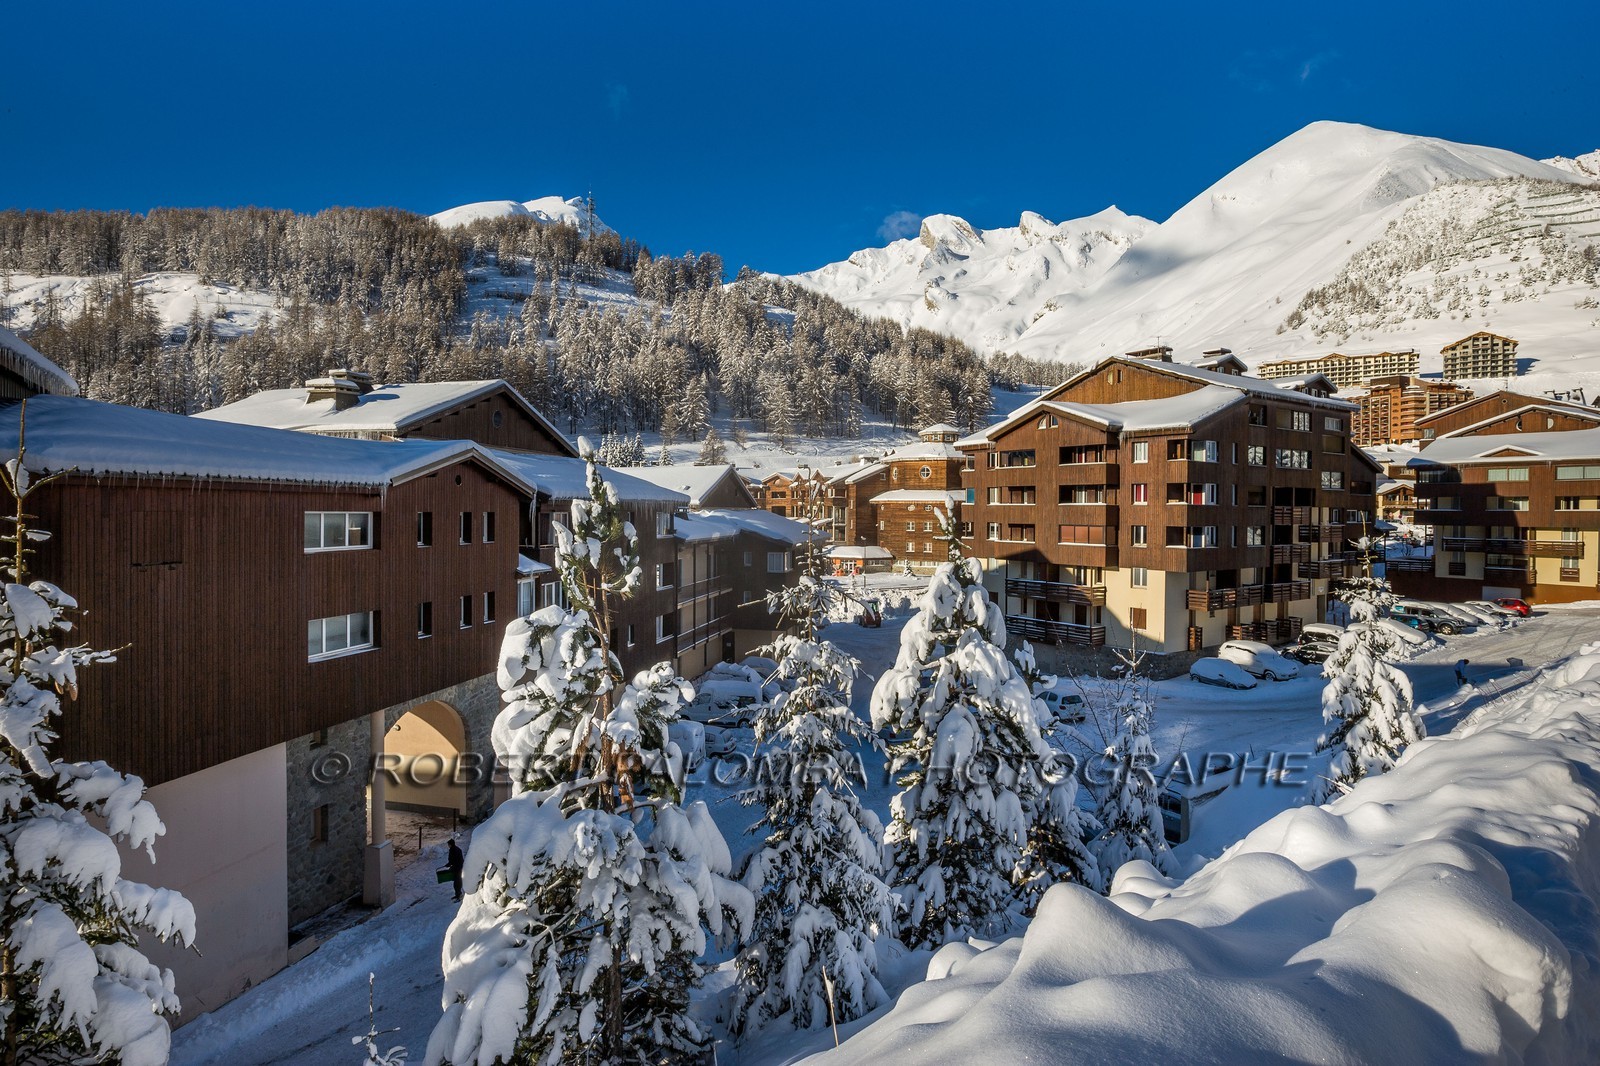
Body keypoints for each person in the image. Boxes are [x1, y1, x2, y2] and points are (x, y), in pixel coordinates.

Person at [447, 837, 465, 902]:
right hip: (458, 867)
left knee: (457, 883)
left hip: (457, 868)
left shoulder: (453, 850)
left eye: (448, 844)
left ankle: (459, 895)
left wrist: (449, 864)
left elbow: (453, 860)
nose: (448, 846)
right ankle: (458, 894)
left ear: (450, 844)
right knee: (457, 882)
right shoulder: (457, 849)